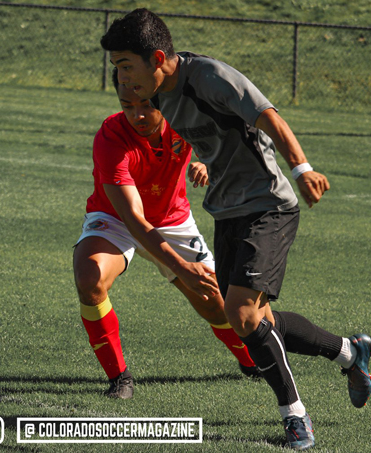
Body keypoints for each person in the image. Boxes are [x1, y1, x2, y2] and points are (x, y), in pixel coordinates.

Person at [100, 9, 371, 450]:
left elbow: (265, 113)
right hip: (227, 211)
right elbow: (199, 136)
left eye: (125, 66)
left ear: (156, 58)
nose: (122, 80)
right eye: (117, 69)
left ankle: (295, 418)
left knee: (244, 316)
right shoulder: (157, 96)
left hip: (268, 204)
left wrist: (301, 167)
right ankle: (348, 351)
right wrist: (202, 160)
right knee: (253, 319)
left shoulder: (208, 76)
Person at [73, 68, 260, 401]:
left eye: (145, 103)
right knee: (90, 278)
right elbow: (134, 218)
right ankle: (119, 378)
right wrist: (181, 268)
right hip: (118, 219)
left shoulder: (185, 116)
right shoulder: (111, 137)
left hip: (173, 220)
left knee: (219, 304)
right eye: (127, 105)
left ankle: (251, 363)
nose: (137, 114)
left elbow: (223, 141)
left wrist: (206, 161)